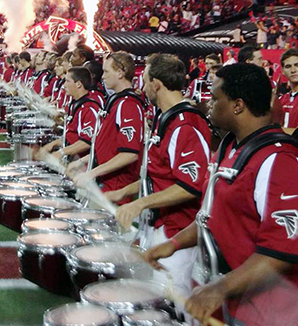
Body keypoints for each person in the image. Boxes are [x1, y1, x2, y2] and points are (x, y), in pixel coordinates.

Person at [145, 63, 298, 326]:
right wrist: (173, 244)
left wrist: (219, 288)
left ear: (238, 105)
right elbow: (213, 217)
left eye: (214, 98)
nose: (207, 103)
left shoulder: (280, 161)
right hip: (232, 304)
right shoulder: (231, 147)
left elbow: (279, 253)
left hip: (268, 315)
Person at [105, 54, 211, 320]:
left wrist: (141, 203)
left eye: (146, 79)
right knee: (156, 306)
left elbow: (190, 186)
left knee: (179, 311)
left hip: (177, 231)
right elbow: (160, 176)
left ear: (157, 84)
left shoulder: (186, 124)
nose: (142, 86)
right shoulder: (168, 118)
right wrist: (127, 192)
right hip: (157, 226)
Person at [70, 51, 145, 205]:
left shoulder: (128, 105)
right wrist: (81, 163)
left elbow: (129, 154)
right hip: (104, 184)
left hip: (115, 189)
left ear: (120, 72)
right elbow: (105, 146)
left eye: (106, 71)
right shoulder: (118, 102)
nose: (102, 76)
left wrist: (91, 173)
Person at [39, 67, 99, 161]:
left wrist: (61, 152)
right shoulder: (75, 104)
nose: (64, 85)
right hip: (72, 159)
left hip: (82, 165)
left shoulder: (88, 108)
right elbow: (72, 138)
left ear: (78, 84)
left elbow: (87, 142)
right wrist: (52, 144)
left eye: (67, 81)